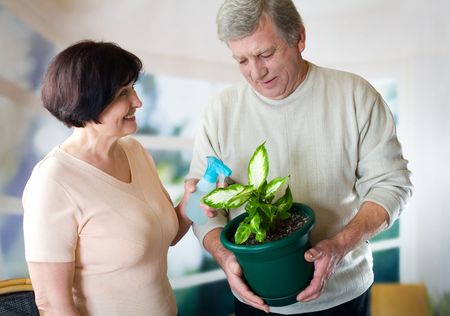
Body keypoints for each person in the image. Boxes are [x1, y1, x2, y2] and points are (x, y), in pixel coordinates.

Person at [184, 0, 413, 315]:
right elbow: (202, 208)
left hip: (342, 297)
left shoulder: (355, 96)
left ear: (299, 38)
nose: (256, 71)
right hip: (255, 301)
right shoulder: (220, 112)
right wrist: (224, 257)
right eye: (242, 60)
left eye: (266, 54)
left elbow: (392, 184)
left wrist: (340, 246)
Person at [22, 40, 192, 316]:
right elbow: (53, 306)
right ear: (88, 100)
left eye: (133, 88)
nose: (137, 101)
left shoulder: (134, 151)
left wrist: (193, 202)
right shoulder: (53, 182)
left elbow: (165, 235)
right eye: (124, 92)